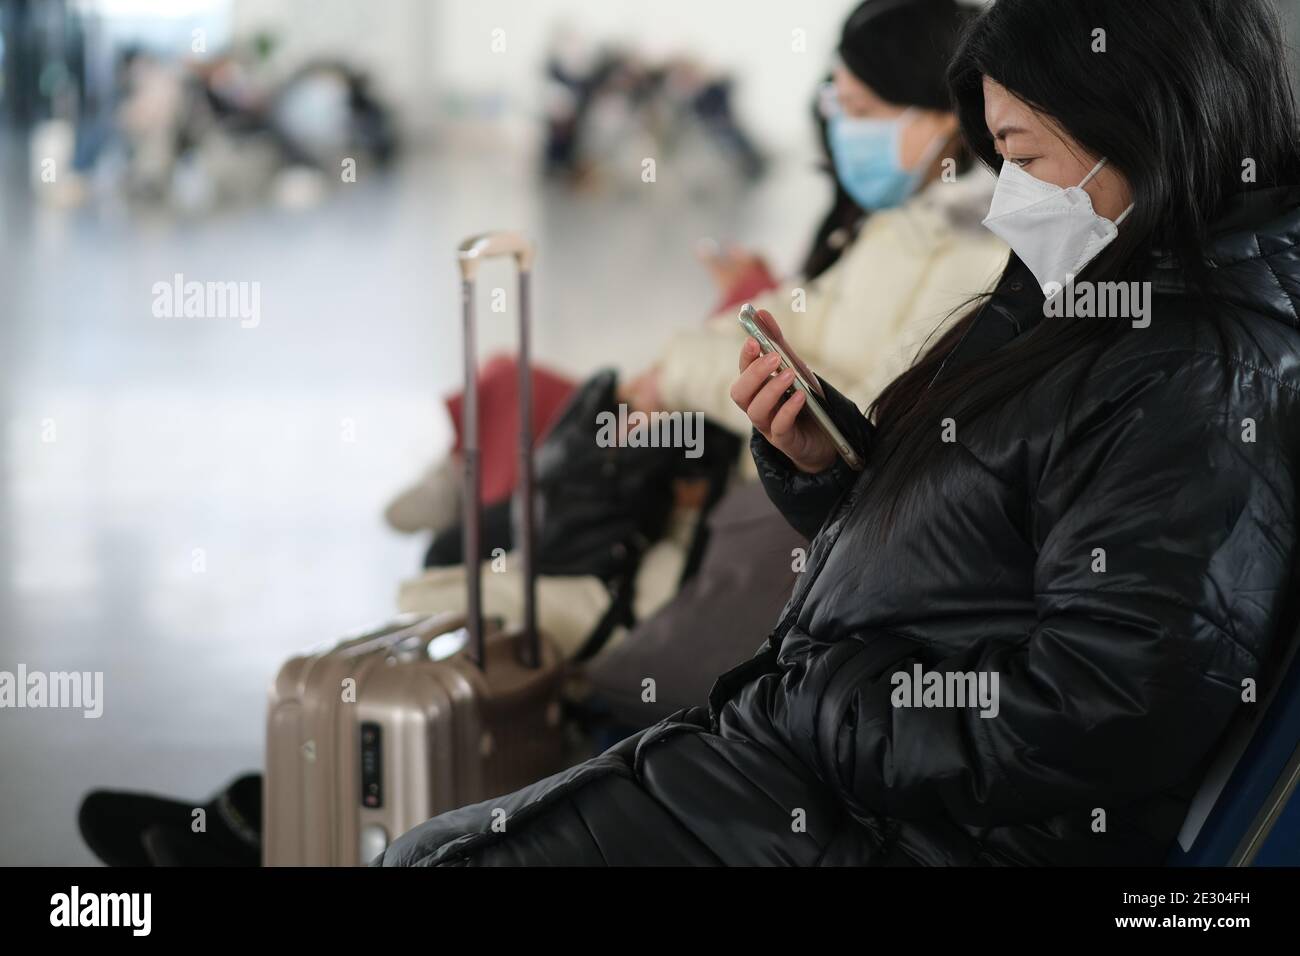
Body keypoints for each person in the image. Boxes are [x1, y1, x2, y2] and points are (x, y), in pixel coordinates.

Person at [378, 0, 1300, 866]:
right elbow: (979, 559)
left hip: (884, 822)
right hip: (810, 776)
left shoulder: (1196, 380)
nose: (1008, 198)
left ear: (1141, 128)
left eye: (1025, 157)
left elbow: (1097, 711)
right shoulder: (1080, 299)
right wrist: (831, 471)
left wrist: (826, 698)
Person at [389, 0, 1007, 658]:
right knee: (467, 537)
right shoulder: (901, 226)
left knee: (459, 556)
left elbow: (862, 415)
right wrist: (687, 366)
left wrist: (683, 373)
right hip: (708, 485)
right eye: (837, 111)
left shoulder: (977, 258)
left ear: (944, 115)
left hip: (730, 522)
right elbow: (789, 314)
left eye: (859, 114)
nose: (842, 133)